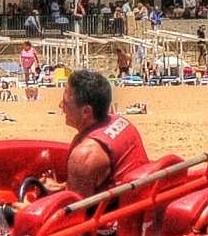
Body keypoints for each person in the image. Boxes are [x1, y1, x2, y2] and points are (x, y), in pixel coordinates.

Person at [56, 68, 145, 199]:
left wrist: (25, 208)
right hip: (137, 201)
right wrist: (64, 187)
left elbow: (74, 214)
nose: (60, 106)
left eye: (65, 102)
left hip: (112, 216)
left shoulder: (86, 155)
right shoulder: (122, 123)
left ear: (86, 111)